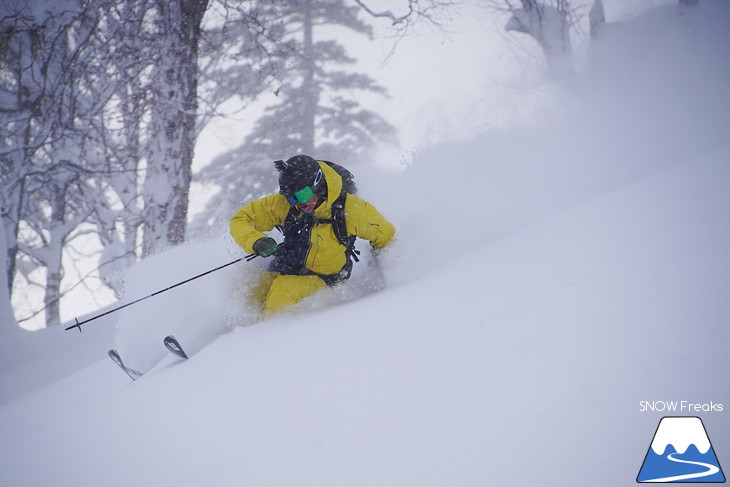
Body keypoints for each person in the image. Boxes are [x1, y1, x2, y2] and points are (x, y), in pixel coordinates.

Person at [230, 154, 395, 317]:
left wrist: (383, 272)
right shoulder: (285, 204)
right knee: (254, 292)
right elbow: (241, 219)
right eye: (291, 197)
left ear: (317, 185)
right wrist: (256, 241)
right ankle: (245, 334)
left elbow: (386, 236)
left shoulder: (351, 210)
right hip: (283, 268)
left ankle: (269, 339)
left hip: (324, 280)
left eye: (302, 195)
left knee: (283, 290)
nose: (298, 203)